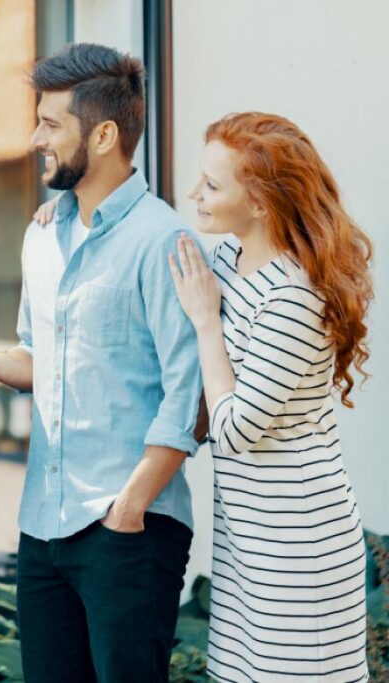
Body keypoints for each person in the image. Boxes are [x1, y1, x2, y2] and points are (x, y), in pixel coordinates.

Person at [0, 43, 203, 682]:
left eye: (51, 123)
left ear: (104, 134)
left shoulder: (163, 240)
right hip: (43, 527)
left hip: (128, 530)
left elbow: (188, 395)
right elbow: (42, 355)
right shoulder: (43, 234)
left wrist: (128, 507)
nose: (34, 139)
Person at [170, 112, 371, 682]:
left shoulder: (293, 297)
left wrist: (208, 324)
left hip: (298, 547)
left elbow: (233, 431)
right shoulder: (229, 261)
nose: (195, 194)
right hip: (246, 539)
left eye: (212, 185)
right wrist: (65, 217)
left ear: (258, 203)